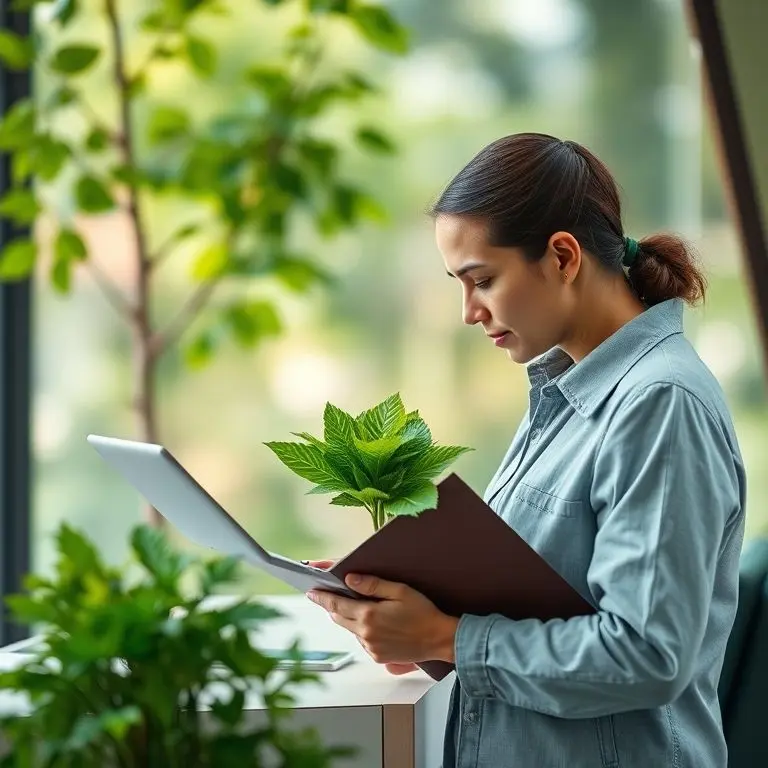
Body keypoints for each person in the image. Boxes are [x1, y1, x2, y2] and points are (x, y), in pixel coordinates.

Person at [305, 132, 746, 767]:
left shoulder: (660, 405)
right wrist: (416, 626)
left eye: (482, 280)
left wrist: (450, 638)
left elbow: (645, 656)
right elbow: (541, 603)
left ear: (562, 256)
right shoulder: (563, 390)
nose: (469, 312)